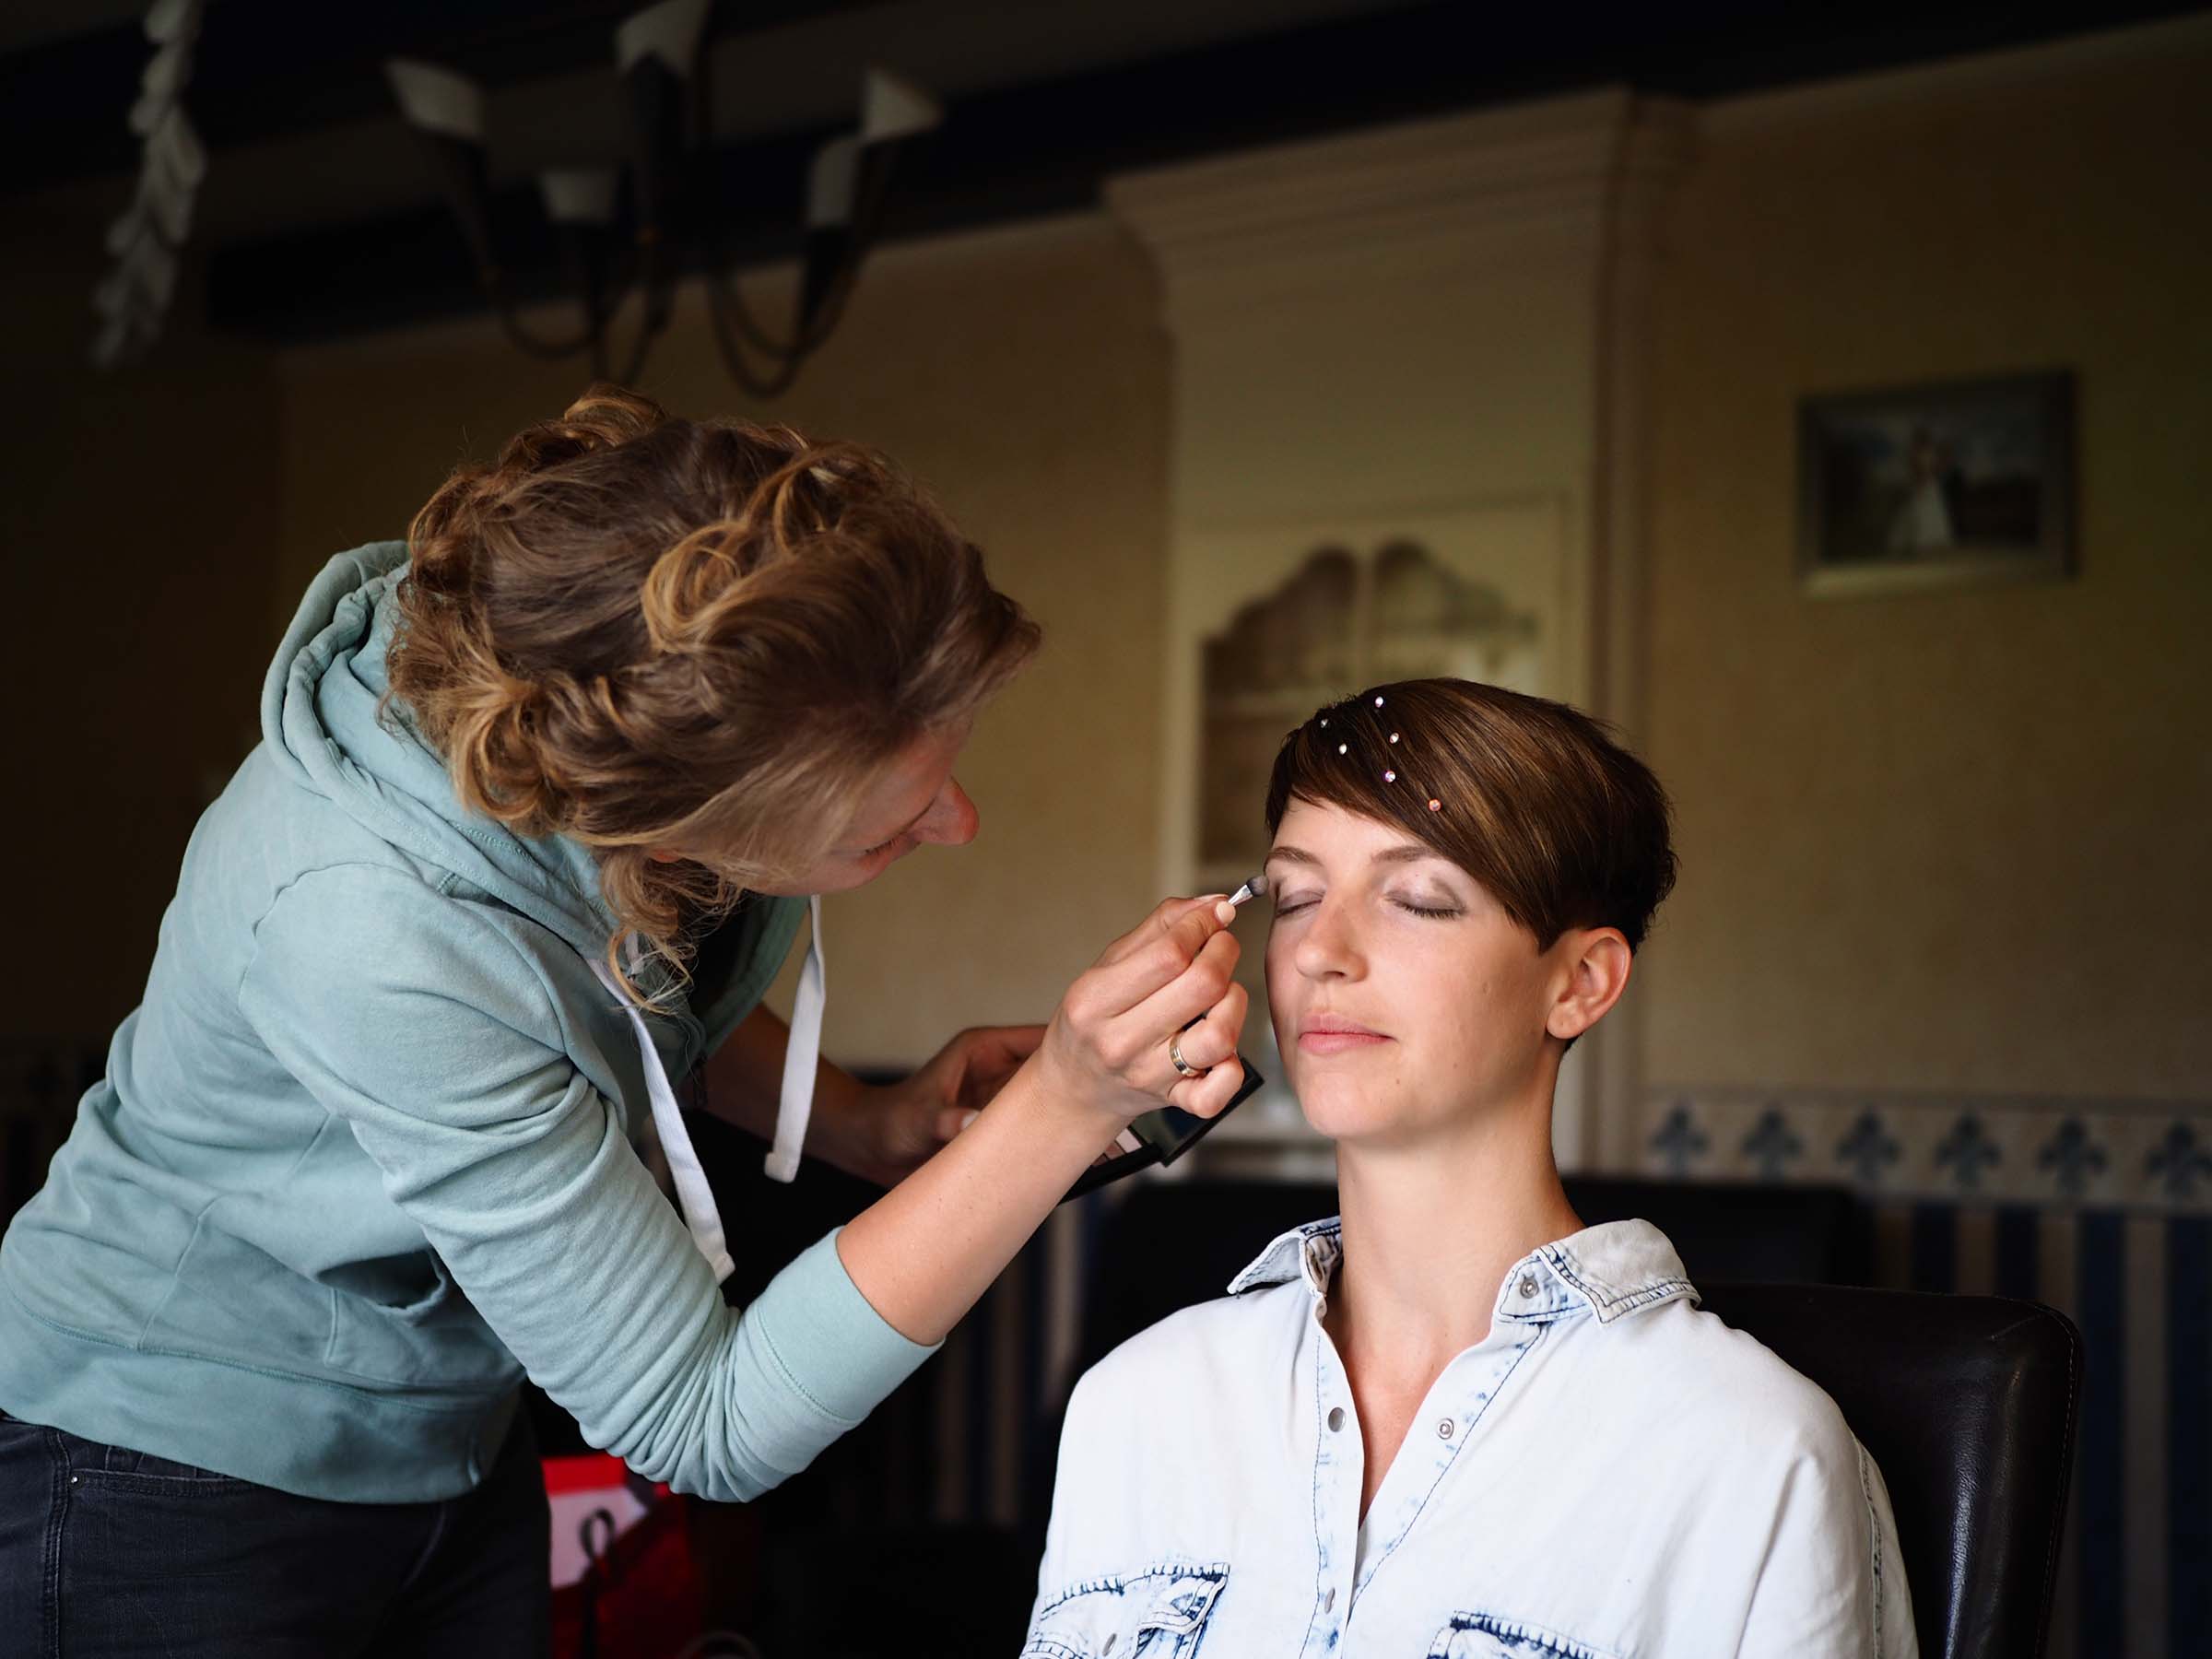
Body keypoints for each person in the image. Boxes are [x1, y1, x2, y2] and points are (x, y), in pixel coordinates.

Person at [0, 386, 1250, 1657]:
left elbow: (601, 991)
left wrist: (865, 1124)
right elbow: (704, 1425)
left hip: (448, 1448)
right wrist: (1055, 1110)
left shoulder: (579, 734)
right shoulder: (368, 929)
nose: (957, 824)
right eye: (888, 825)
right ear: (686, 812)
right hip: (161, 1473)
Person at [1025, 678, 1915, 1657]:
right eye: (1297, 895)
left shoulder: (1753, 1457)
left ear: (1579, 983)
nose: (1321, 950)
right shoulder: (1136, 1404)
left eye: (1416, 898)